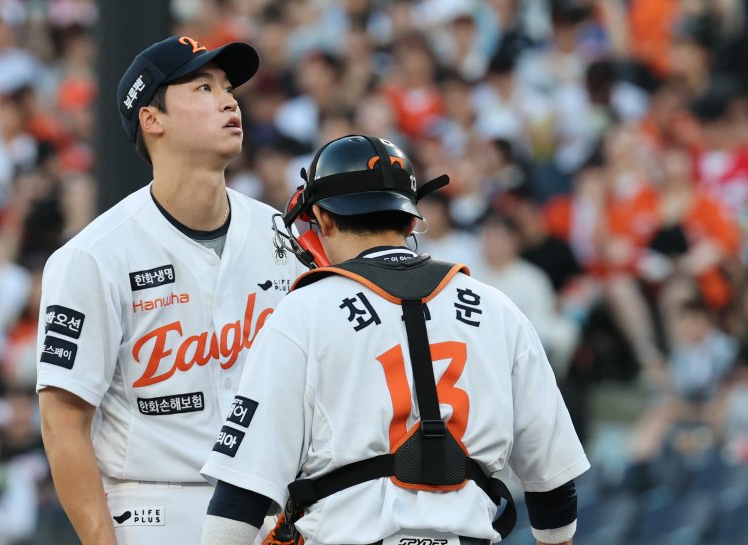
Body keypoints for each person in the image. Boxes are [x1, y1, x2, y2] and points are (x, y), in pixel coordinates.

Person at [199, 135, 590, 545]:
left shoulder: (302, 311)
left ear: (322, 218)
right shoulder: (498, 308)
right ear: (409, 221)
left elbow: (239, 500)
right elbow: (555, 493)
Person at [35, 35, 304, 545]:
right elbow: (63, 420)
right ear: (152, 119)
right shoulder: (93, 256)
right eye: (203, 88)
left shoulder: (281, 236)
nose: (229, 100)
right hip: (156, 512)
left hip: (275, 512)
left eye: (228, 88)